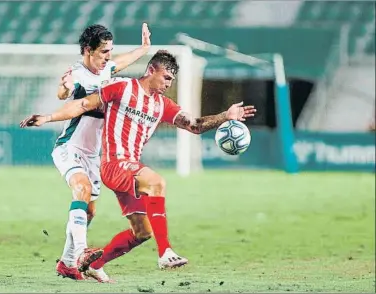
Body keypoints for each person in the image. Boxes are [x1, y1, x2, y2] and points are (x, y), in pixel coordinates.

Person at [20, 50, 256, 283]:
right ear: (151, 70)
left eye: (172, 80)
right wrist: (48, 117)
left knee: (142, 232)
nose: (168, 83)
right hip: (114, 164)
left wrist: (226, 115)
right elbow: (82, 104)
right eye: (166, 77)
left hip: (131, 169)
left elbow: (194, 125)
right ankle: (165, 252)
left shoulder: (162, 104)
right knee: (156, 182)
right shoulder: (122, 88)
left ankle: (94, 265)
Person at [50, 23, 151, 280]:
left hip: (94, 154)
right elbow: (65, 91)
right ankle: (83, 253)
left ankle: (67, 262)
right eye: (104, 51)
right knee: (81, 190)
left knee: (89, 211)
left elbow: (121, 62)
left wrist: (144, 48)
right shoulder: (77, 73)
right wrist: (65, 88)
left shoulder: (106, 68)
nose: (108, 56)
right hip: (70, 147)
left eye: (110, 51)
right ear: (88, 50)